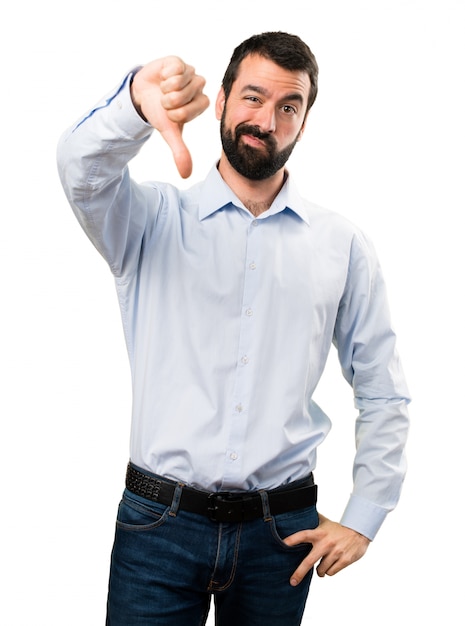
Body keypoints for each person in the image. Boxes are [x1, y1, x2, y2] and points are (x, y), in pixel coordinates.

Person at [57, 31, 410, 626]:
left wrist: (365, 515)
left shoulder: (341, 246)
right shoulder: (149, 222)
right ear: (220, 101)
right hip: (158, 529)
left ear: (303, 123)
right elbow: (80, 169)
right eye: (251, 97)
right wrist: (135, 107)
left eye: (288, 106)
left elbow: (382, 388)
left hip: (282, 537)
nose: (265, 119)